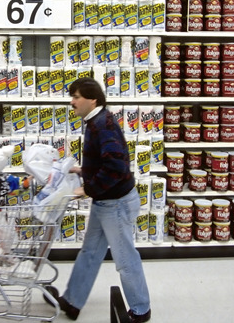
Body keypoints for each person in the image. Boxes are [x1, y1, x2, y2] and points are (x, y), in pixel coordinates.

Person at [51, 77, 151, 322]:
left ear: (92, 99)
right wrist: (82, 171)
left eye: (76, 97)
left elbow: (116, 167)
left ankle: (141, 309)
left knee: (125, 257)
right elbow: (106, 161)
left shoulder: (102, 124)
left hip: (116, 203)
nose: (71, 102)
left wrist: (88, 188)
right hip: (106, 202)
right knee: (90, 252)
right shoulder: (96, 121)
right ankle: (72, 302)